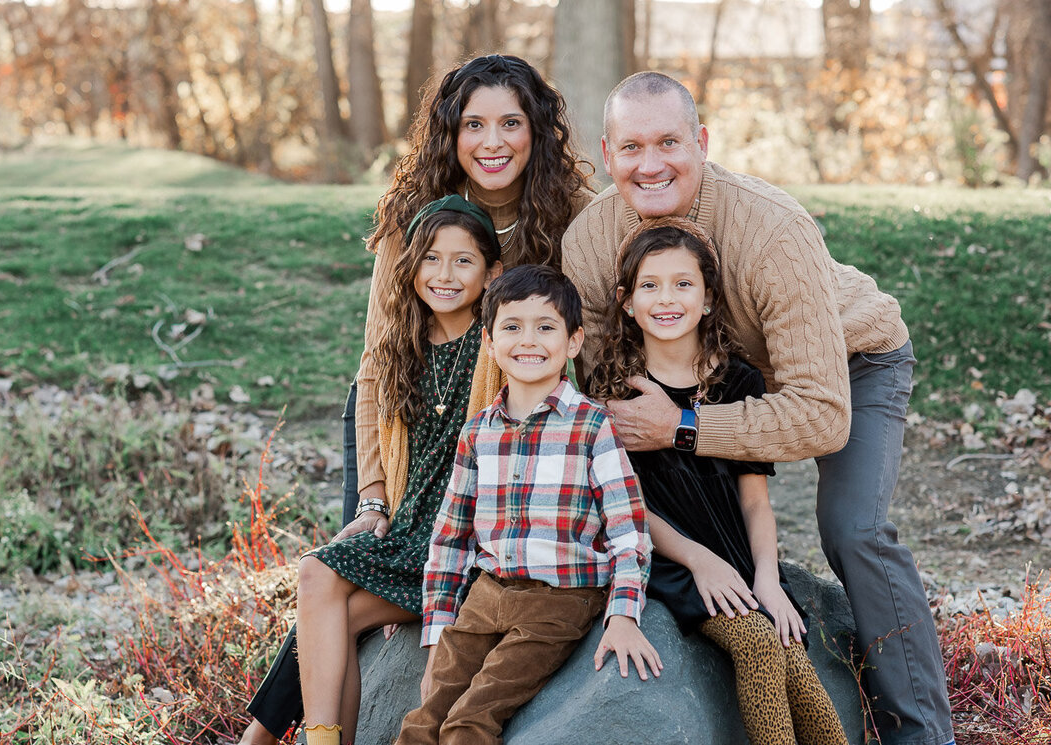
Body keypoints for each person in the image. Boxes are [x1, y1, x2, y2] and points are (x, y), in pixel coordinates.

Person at [561, 71, 953, 745]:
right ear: (606, 153)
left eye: (669, 142)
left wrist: (683, 428)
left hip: (850, 368)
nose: (650, 164)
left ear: (702, 141)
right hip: (703, 387)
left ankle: (921, 732)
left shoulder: (773, 230)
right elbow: (608, 413)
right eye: (631, 148)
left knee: (852, 526)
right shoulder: (590, 244)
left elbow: (821, 413)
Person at [240, 54, 594, 745]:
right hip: (397, 414)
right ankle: (264, 729)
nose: (492, 141)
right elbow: (379, 364)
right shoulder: (415, 218)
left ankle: (258, 734)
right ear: (450, 133)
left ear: (538, 131)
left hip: (483, 445)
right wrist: (374, 493)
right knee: (338, 570)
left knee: (339, 597)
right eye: (474, 124)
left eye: (510, 123)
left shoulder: (569, 219)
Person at [247, 196, 504, 745]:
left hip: (462, 539)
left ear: (492, 271)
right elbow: (377, 429)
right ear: (409, 265)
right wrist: (375, 503)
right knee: (320, 581)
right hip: (409, 531)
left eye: (464, 261)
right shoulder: (400, 347)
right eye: (431, 259)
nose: (445, 274)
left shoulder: (500, 343)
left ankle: (280, 738)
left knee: (324, 594)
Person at [588, 217, 848, 745]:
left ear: (708, 298)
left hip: (734, 554)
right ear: (626, 301)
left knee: (792, 654)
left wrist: (768, 579)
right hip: (667, 557)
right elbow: (623, 501)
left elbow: (755, 503)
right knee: (754, 639)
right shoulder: (612, 389)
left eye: (683, 284)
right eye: (650, 286)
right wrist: (697, 559)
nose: (667, 299)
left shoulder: (738, 381)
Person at [394, 265, 659, 745]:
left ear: (574, 341)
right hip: (487, 595)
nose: (528, 341)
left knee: (469, 720)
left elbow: (629, 529)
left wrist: (622, 613)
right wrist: (437, 632)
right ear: (490, 344)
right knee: (421, 722)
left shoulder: (590, 426)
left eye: (545, 327)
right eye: (512, 327)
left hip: (558, 600)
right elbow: (450, 538)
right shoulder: (478, 432)